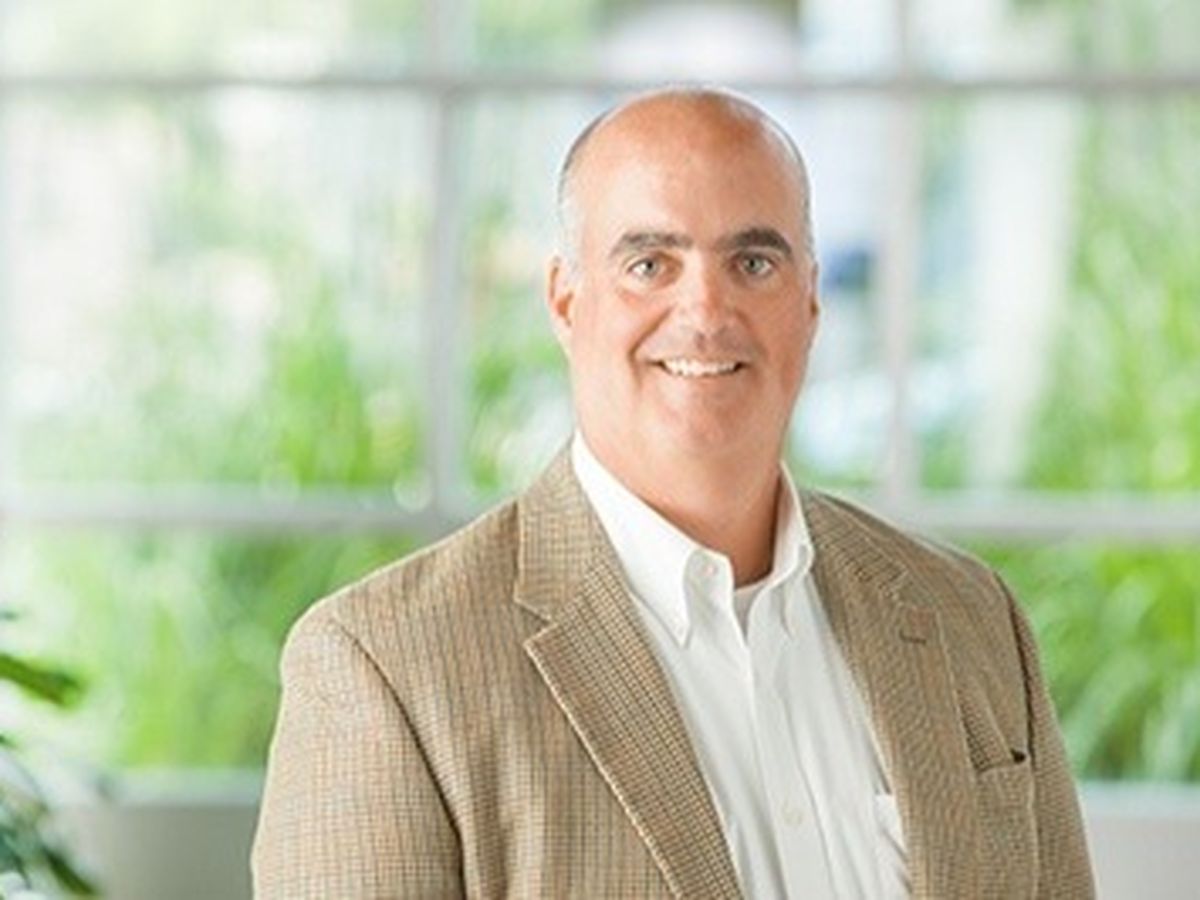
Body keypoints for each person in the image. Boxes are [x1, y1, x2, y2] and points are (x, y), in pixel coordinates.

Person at [252, 87, 1095, 899]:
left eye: (753, 262)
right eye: (649, 264)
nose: (705, 310)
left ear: (808, 301)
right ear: (565, 300)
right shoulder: (385, 669)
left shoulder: (971, 619)